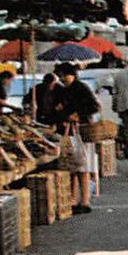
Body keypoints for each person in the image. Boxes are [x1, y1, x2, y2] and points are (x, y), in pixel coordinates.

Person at [54, 63, 99, 211]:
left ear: (73, 74)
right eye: (60, 76)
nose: (62, 78)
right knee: (73, 166)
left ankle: (85, 201)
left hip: (81, 131)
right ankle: (73, 200)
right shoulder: (63, 90)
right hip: (69, 132)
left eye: (65, 75)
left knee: (82, 166)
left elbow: (94, 106)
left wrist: (78, 115)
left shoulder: (81, 88)